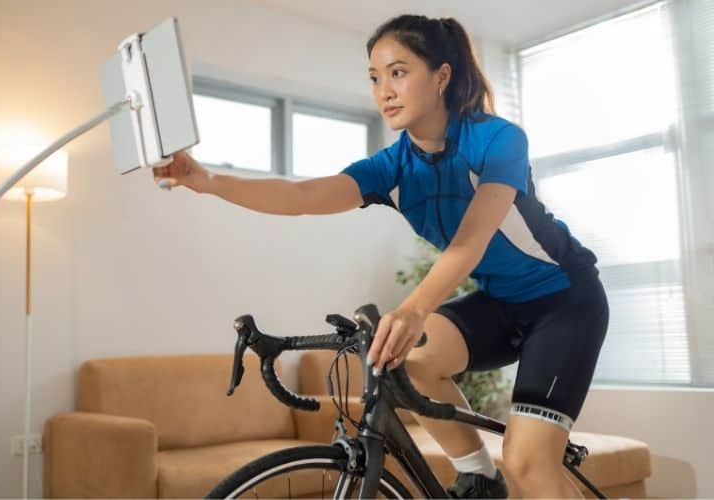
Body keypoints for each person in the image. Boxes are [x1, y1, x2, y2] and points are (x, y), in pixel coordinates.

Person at [153, 14, 609, 499]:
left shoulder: (498, 139)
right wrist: (207, 182)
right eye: (374, 78)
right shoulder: (392, 167)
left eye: (398, 71)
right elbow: (303, 196)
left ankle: (509, 472)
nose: (384, 90)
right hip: (500, 302)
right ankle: (478, 477)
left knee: (528, 464)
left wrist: (415, 308)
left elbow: (472, 238)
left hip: (565, 301)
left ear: (441, 76)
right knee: (403, 359)